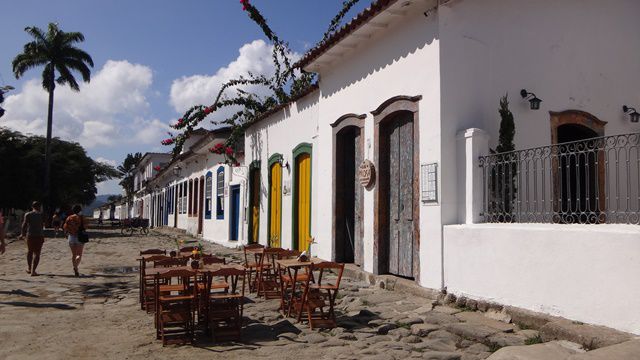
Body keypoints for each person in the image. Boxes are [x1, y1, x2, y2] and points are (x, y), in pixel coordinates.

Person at [21, 201, 45, 276]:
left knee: (30, 251)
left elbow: (24, 225)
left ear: (32, 206)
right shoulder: (42, 214)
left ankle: (29, 268)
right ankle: (33, 271)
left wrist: (22, 234)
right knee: (37, 253)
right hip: (39, 235)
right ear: (39, 207)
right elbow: (45, 223)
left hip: (30, 235)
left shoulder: (27, 214)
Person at [63, 205, 85, 277]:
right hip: (79, 237)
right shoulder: (81, 217)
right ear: (80, 210)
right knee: (79, 255)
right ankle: (75, 267)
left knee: (73, 254)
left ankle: (75, 267)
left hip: (71, 237)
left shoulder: (69, 218)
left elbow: (65, 227)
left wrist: (66, 234)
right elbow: (86, 226)